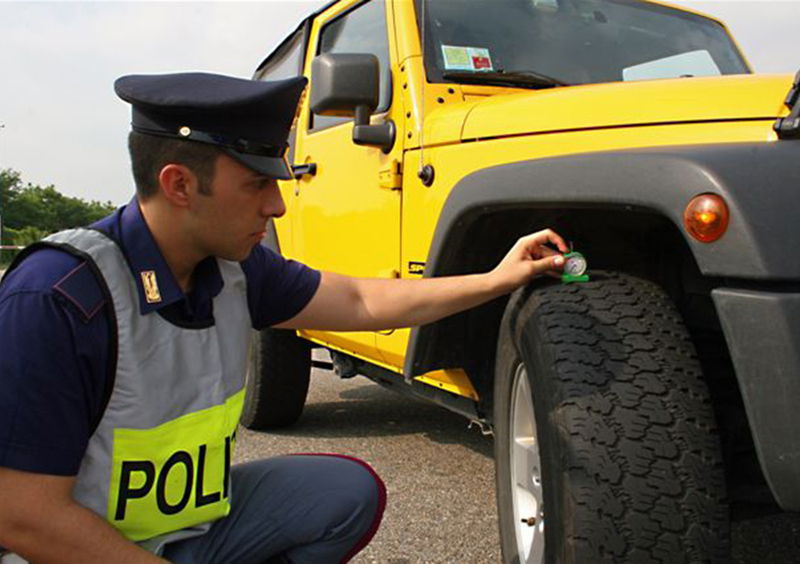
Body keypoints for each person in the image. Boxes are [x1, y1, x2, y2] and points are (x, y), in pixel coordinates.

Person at [0, 72, 568, 563]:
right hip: (67, 551)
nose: (276, 205)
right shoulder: (57, 298)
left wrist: (497, 279)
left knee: (343, 493)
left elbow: (360, 302)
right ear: (178, 184)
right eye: (256, 183)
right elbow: (25, 516)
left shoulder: (233, 270)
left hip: (183, 534)